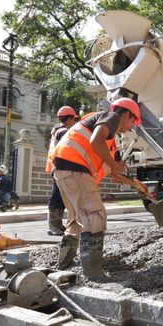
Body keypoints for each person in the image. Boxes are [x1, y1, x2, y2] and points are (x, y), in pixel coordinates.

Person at [49, 97, 143, 280]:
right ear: (125, 113)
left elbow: (113, 170)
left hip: (62, 168)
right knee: (94, 215)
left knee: (76, 218)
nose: (131, 127)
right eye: (133, 121)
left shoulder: (108, 137)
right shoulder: (111, 116)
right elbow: (95, 141)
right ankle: (94, 273)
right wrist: (114, 164)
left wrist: (135, 184)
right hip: (74, 166)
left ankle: (65, 263)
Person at [45, 106, 79, 236]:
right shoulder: (63, 131)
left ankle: (58, 225)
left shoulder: (58, 130)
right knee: (57, 196)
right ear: (70, 118)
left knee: (61, 196)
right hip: (60, 167)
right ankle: (53, 226)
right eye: (73, 119)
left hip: (60, 167)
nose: (74, 122)